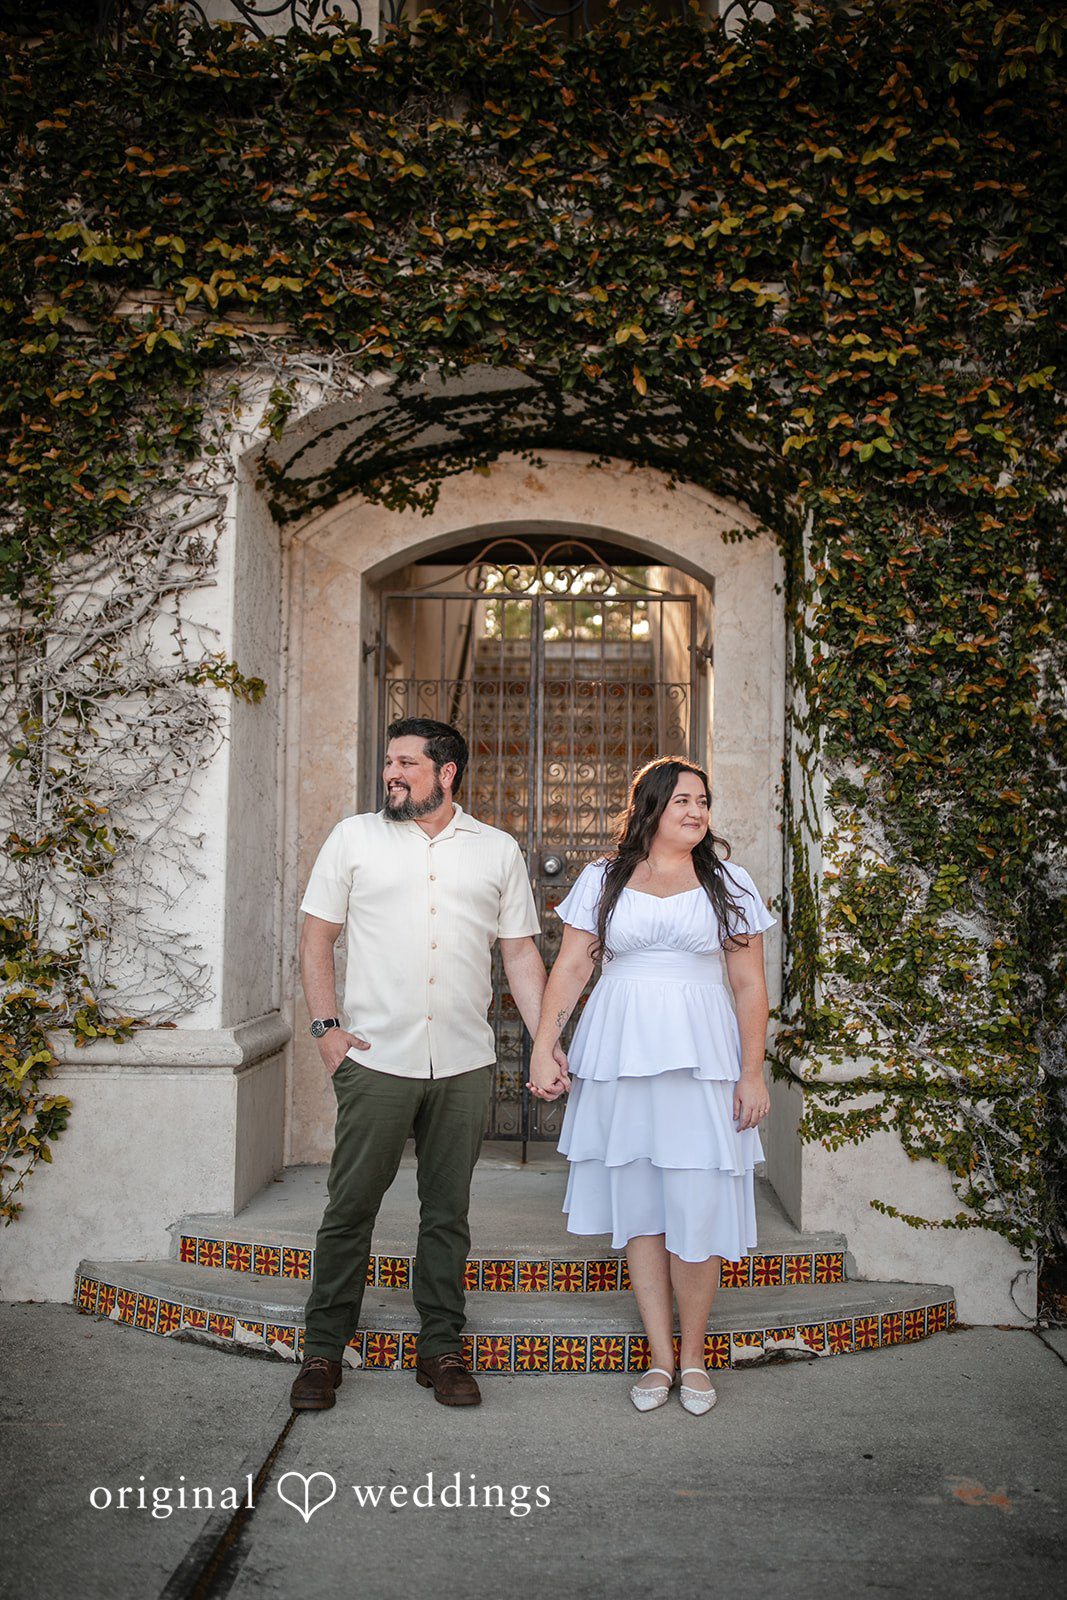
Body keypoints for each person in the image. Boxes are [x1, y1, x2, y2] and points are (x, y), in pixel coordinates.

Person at [289, 717, 569, 1412]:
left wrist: (543, 1041)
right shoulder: (354, 838)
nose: (391, 774)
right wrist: (326, 1029)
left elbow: (519, 955)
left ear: (446, 773)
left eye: (406, 763)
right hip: (375, 1061)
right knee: (350, 1207)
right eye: (389, 762)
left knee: (447, 1213)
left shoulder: (496, 849)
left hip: (465, 1063)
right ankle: (323, 1352)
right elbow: (316, 936)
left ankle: (441, 1347)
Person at [528, 757, 774, 1416]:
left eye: (703, 801)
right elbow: (572, 967)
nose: (696, 812)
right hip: (621, 1055)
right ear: (650, 809)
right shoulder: (603, 879)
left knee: (695, 1202)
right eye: (682, 801)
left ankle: (693, 1357)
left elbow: (750, 985)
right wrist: (544, 1044)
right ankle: (660, 1359)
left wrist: (752, 1071)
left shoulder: (728, 883)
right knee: (639, 1204)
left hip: (702, 1059)